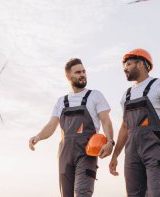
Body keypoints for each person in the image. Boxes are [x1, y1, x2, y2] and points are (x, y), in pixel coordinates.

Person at [29, 58, 114, 197]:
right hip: (64, 154)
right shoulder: (61, 101)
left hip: (87, 152)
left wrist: (110, 141)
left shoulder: (95, 95)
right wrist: (38, 136)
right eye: (78, 72)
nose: (82, 74)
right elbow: (52, 124)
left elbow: (106, 120)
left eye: (84, 71)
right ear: (68, 76)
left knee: (82, 193)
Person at [109, 48, 160, 197]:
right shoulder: (126, 95)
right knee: (133, 194)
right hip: (132, 149)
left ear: (141, 64)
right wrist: (115, 155)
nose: (124, 69)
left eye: (128, 64)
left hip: (155, 145)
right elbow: (125, 127)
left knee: (157, 192)